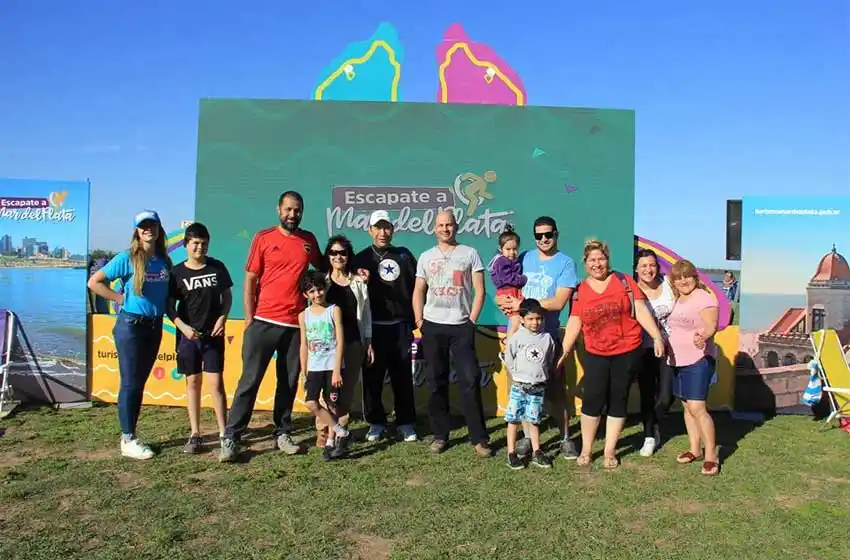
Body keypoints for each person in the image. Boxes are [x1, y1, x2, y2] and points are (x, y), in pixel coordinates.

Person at [219, 191, 321, 463]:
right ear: (279, 210)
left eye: (297, 210)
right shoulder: (263, 238)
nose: (292, 215)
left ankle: (283, 433)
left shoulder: (309, 241)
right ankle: (231, 437)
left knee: (287, 383)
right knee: (249, 381)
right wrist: (250, 319)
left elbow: (323, 272)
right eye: (288, 209)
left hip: (295, 325)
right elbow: (250, 280)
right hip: (263, 322)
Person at [556, 240, 665, 469]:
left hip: (627, 351)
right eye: (592, 260)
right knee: (592, 400)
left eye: (601, 259)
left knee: (618, 400)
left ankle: (609, 451)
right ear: (585, 264)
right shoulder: (580, 290)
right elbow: (575, 320)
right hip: (596, 352)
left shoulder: (624, 281)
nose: (597, 264)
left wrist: (656, 336)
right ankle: (586, 449)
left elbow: (642, 311)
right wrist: (565, 349)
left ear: (608, 260)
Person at [87, 210, 172, 460]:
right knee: (130, 383)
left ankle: (130, 435)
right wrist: (118, 298)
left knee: (139, 383)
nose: (148, 230)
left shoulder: (163, 261)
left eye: (152, 225)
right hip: (131, 326)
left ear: (158, 229)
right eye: (143, 226)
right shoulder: (127, 258)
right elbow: (95, 282)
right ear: (137, 231)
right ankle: (128, 438)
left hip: (154, 326)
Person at [498, 216, 579, 460]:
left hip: (547, 338)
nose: (543, 239)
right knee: (520, 390)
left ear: (556, 233)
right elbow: (507, 291)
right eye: (538, 235)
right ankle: (526, 438)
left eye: (548, 234)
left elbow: (559, 301)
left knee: (555, 393)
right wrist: (503, 302)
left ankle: (565, 438)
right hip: (520, 339)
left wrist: (526, 305)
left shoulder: (565, 263)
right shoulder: (523, 258)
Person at [413, 210, 490, 457]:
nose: (445, 229)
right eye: (441, 225)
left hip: (461, 326)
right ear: (434, 228)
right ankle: (440, 435)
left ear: (456, 227)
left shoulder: (469, 254)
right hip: (433, 326)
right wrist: (419, 320)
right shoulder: (426, 257)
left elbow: (480, 291)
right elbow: (418, 291)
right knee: (436, 382)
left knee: (469, 380)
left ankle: (479, 439)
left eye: (449, 224)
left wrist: (472, 321)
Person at [166, 223, 233, 454]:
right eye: (195, 243)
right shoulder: (176, 273)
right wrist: (182, 327)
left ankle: (225, 433)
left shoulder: (217, 268)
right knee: (193, 383)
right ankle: (195, 434)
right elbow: (169, 307)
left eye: (203, 243)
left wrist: (223, 318)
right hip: (188, 338)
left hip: (212, 337)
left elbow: (227, 296)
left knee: (216, 385)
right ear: (186, 244)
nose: (199, 247)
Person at [353, 210, 418, 443]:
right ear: (370, 230)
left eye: (387, 227)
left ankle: (405, 422)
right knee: (372, 378)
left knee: (402, 376)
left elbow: (418, 288)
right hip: (373, 328)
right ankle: (376, 422)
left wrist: (416, 319)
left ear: (393, 229)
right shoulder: (359, 259)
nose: (382, 232)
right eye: (377, 228)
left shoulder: (404, 255)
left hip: (400, 326)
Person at [313, 235, 373, 448]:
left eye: (343, 252)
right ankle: (323, 431)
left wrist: (368, 340)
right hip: (327, 345)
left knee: (346, 392)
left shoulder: (358, 282)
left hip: (353, 343)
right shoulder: (321, 282)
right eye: (334, 252)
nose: (338, 256)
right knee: (327, 392)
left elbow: (366, 314)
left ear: (348, 256)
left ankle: (340, 432)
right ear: (328, 256)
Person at [666, 259, 720, 476]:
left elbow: (712, 326)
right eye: (678, 278)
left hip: (699, 359)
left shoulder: (704, 298)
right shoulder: (679, 299)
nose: (683, 281)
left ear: (695, 277)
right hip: (678, 360)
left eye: (686, 276)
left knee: (698, 408)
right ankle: (694, 449)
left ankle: (711, 456)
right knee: (687, 407)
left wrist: (703, 337)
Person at [298, 271, 352, 461]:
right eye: (311, 291)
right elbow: (303, 345)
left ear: (325, 289)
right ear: (305, 295)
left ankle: (331, 441)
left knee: (332, 404)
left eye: (319, 289)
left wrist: (337, 370)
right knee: (312, 402)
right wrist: (304, 372)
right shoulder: (303, 315)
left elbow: (340, 341)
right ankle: (341, 431)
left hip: (332, 366)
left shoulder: (334, 310)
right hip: (314, 367)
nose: (317, 294)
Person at [633, 248, 676, 457]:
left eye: (652, 265)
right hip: (643, 349)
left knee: (667, 395)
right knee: (647, 393)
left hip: (670, 349)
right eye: (644, 266)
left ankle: (655, 422)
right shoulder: (632, 290)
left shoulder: (669, 284)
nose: (648, 269)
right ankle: (649, 435)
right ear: (636, 269)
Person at [504, 299, 554, 470]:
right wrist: (518, 377)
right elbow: (509, 359)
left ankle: (537, 451)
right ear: (523, 319)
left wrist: (541, 376)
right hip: (519, 386)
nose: (535, 322)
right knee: (513, 419)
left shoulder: (547, 338)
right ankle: (511, 453)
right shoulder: (517, 337)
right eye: (531, 319)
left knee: (534, 420)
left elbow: (548, 359)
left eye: (538, 319)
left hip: (537, 387)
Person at [488, 224, 526, 342]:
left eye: (515, 249)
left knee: (518, 318)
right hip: (507, 291)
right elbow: (508, 278)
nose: (512, 252)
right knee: (515, 319)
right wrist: (523, 279)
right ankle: (508, 345)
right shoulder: (501, 261)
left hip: (513, 291)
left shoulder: (513, 260)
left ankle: (512, 341)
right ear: (501, 249)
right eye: (508, 249)